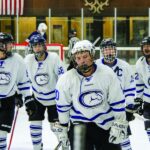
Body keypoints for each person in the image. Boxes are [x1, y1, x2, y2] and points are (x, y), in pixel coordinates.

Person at [54, 40, 128, 150]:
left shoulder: (107, 73)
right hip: (79, 125)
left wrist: (119, 122)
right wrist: (63, 127)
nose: (82, 61)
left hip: (106, 123)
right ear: (74, 60)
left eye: (85, 57)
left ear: (92, 56)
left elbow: (117, 101)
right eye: (78, 58)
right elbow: (63, 107)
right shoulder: (66, 79)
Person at [24, 34, 66, 150]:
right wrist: (23, 96)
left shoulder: (54, 58)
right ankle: (37, 148)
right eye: (35, 46)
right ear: (31, 48)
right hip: (37, 98)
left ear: (44, 46)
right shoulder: (28, 60)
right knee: (34, 126)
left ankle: (65, 147)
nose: (37, 48)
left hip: (55, 100)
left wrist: (64, 96)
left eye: (40, 45)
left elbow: (63, 77)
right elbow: (23, 79)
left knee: (57, 129)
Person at [96, 38, 137, 150]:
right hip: (100, 110)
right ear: (102, 51)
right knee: (99, 139)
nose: (109, 52)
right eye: (106, 50)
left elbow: (129, 88)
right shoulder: (96, 65)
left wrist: (129, 106)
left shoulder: (125, 66)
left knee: (123, 138)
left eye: (111, 49)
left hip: (119, 109)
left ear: (115, 50)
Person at [0, 32, 33, 150]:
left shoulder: (17, 59)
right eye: (8, 44)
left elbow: (22, 80)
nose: (11, 46)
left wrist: (26, 97)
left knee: (1, 134)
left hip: (8, 102)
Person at [135, 36, 150, 142]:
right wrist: (139, 101)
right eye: (145, 46)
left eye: (149, 46)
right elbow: (139, 84)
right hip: (148, 102)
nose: (146, 48)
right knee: (148, 129)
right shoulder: (140, 63)